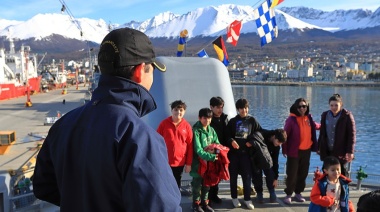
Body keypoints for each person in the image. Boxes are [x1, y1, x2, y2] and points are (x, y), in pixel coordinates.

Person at [33, 28, 182, 211]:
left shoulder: (63, 124)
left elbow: (43, 186)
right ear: (140, 71)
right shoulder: (139, 137)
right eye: (152, 71)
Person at [282, 98, 319, 205]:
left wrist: (324, 126)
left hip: (306, 151)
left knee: (303, 173)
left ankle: (298, 193)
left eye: (304, 106)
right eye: (300, 106)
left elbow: (315, 126)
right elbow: (285, 135)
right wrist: (284, 149)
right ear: (296, 107)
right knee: (292, 174)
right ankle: (288, 194)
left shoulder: (309, 118)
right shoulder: (291, 120)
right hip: (294, 151)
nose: (302, 108)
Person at [226, 98, 260, 210]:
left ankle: (247, 199)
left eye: (245, 108)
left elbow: (259, 133)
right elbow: (226, 136)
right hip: (234, 154)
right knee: (233, 177)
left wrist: (252, 142)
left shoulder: (252, 121)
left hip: (246, 154)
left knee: (247, 177)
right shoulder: (232, 121)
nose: (243, 110)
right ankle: (234, 198)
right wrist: (231, 141)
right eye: (241, 108)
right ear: (237, 109)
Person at [157, 100, 193, 190]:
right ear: (172, 110)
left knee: (176, 185)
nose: (178, 112)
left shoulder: (187, 126)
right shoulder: (164, 124)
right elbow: (156, 141)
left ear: (184, 112)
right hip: (165, 161)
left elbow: (190, 146)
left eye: (181, 110)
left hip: (179, 163)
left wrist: (188, 164)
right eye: (176, 110)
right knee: (165, 184)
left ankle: (175, 203)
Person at [318, 94, 356, 177]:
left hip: (340, 150)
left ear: (341, 105)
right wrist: (319, 147)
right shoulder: (325, 115)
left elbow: (352, 135)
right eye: (331, 105)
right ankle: (327, 189)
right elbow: (322, 133)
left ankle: (342, 189)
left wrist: (350, 152)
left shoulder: (347, 116)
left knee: (341, 173)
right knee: (326, 171)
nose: (334, 107)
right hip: (327, 150)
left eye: (336, 105)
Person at [190, 108, 220, 212]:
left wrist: (216, 152)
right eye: (204, 118)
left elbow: (217, 145)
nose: (207, 121)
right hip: (198, 164)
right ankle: (195, 204)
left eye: (209, 118)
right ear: (199, 118)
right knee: (197, 185)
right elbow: (198, 149)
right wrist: (211, 156)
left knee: (207, 184)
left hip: (209, 165)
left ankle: (205, 203)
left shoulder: (211, 130)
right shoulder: (196, 131)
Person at [251, 129, 287, 204]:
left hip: (268, 161)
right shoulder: (263, 135)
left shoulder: (276, 146)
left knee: (270, 172)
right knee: (256, 175)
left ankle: (272, 191)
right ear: (274, 137)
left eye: (281, 143)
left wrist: (276, 177)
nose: (279, 144)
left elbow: (275, 161)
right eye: (278, 142)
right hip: (257, 158)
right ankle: (259, 193)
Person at [208, 96, 229, 204]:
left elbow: (228, 134)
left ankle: (214, 195)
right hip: (212, 151)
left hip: (222, 151)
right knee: (210, 174)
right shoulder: (208, 119)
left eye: (221, 107)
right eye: (217, 107)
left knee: (218, 175)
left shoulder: (225, 118)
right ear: (211, 107)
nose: (220, 110)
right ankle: (208, 197)